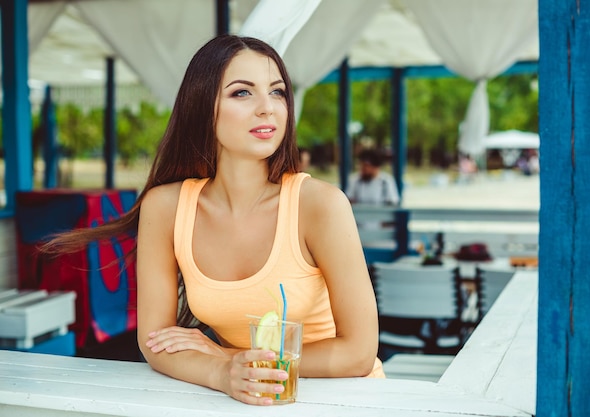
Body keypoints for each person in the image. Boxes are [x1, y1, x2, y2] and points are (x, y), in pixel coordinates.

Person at [40, 34, 383, 406]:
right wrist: (222, 374)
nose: (267, 108)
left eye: (278, 92)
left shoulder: (320, 205)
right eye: (242, 93)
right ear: (203, 106)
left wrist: (226, 356)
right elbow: (155, 340)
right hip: (243, 397)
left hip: (347, 399)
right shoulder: (166, 207)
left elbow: (359, 353)